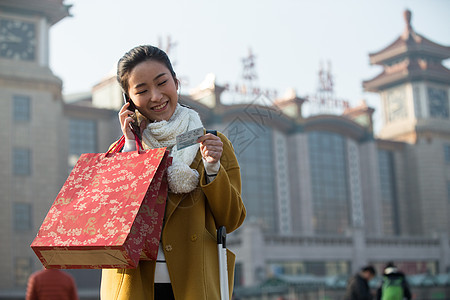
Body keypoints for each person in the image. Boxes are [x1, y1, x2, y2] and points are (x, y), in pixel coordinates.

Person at [100, 45, 246, 300]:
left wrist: (212, 169)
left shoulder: (212, 142)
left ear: (175, 82)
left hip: (195, 286)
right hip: (134, 288)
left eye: (162, 83)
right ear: (129, 101)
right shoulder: (120, 151)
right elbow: (111, 222)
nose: (156, 96)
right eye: (142, 90)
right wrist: (132, 147)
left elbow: (231, 220)